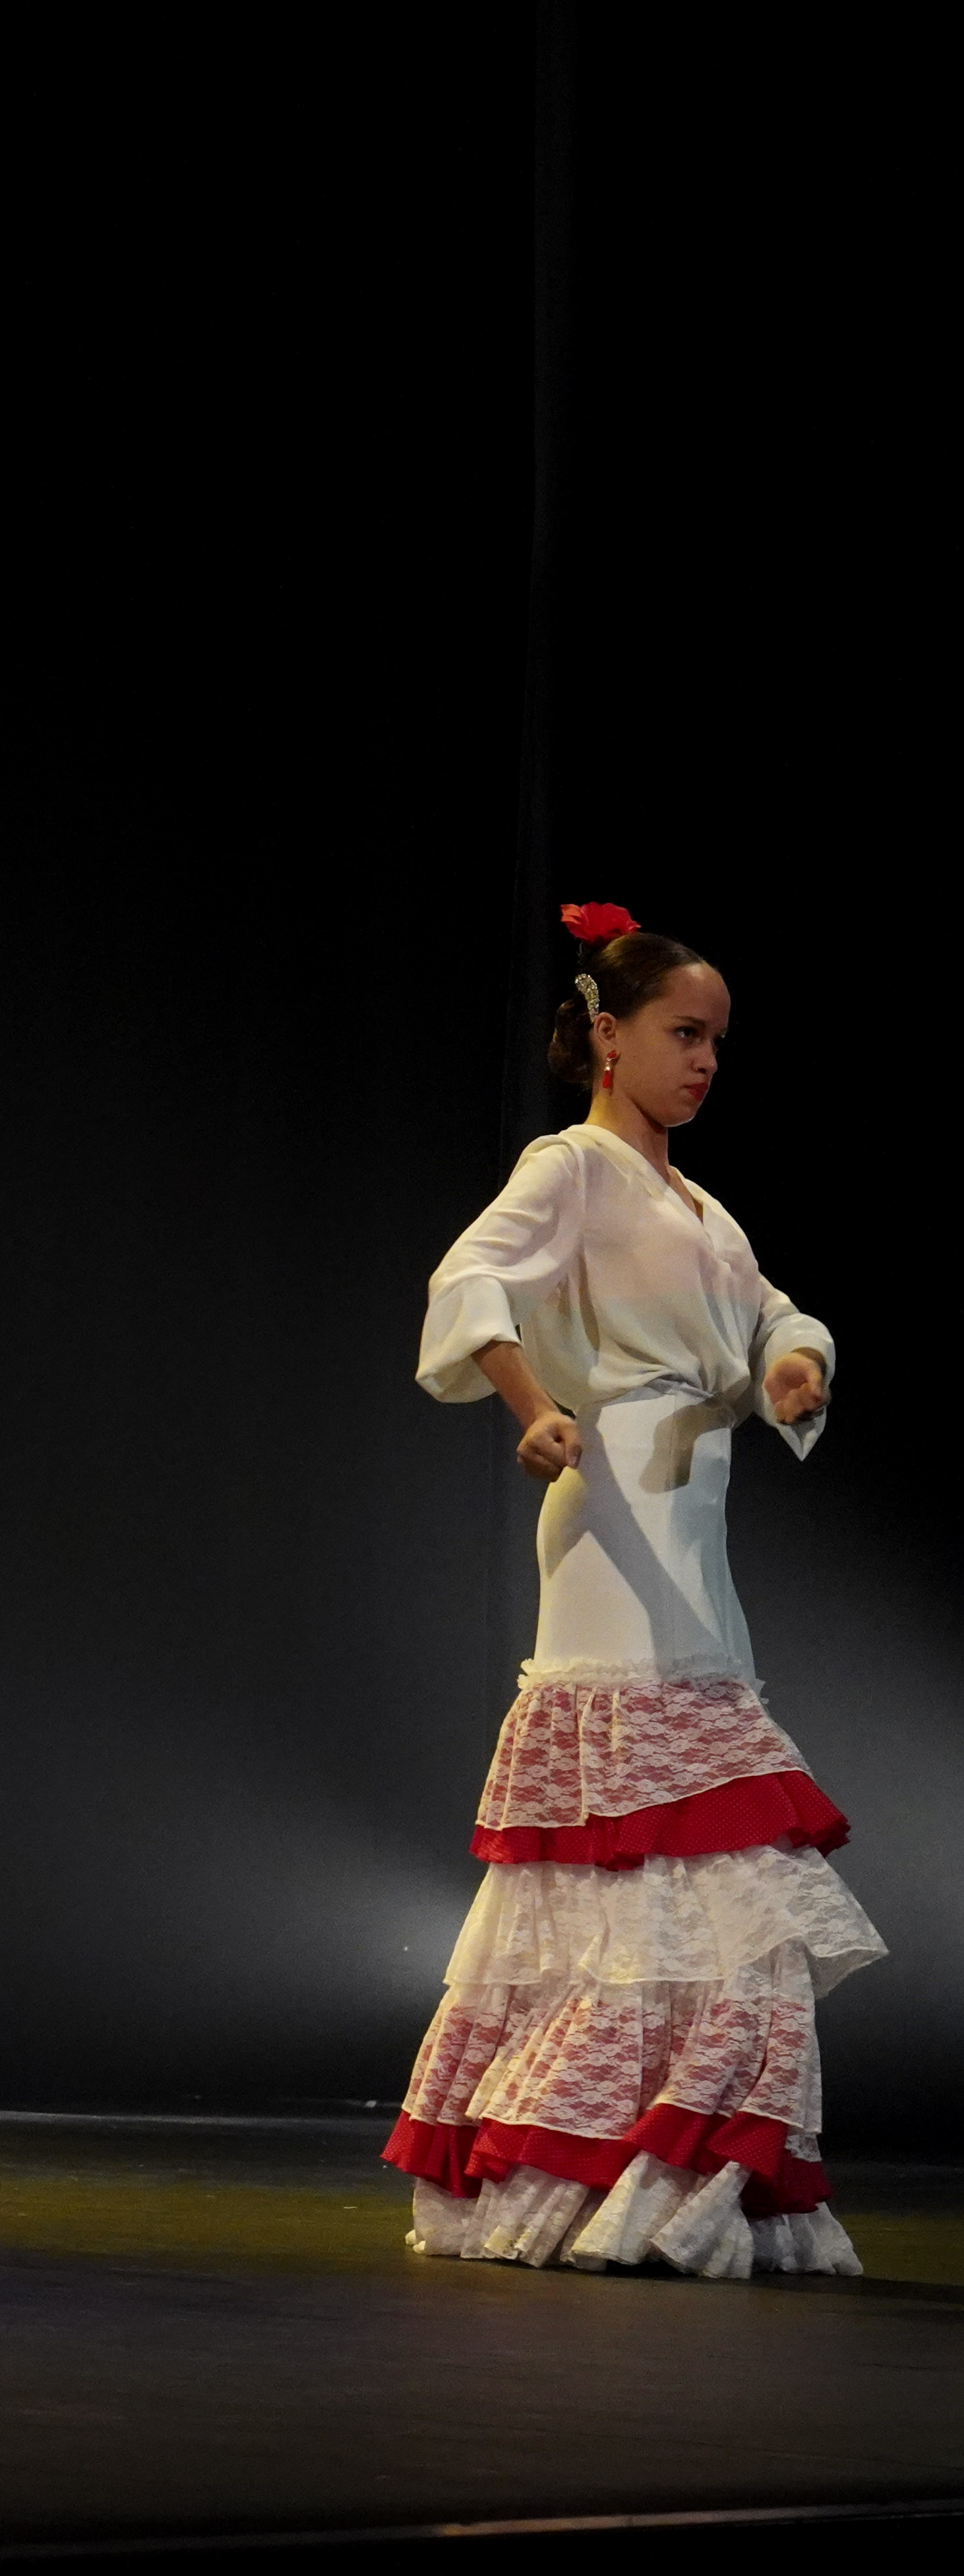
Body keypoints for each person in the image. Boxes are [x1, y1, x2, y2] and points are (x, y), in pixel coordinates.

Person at [386, 902, 874, 2277]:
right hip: (614, 1526)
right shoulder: (575, 1167)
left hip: (694, 1537)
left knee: (714, 1870)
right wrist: (532, 1403)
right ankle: (593, 2162)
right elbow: (470, 1277)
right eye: (683, 1033)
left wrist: (793, 1364)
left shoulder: (700, 1206)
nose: (705, 1061)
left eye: (718, 1041)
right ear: (609, 1034)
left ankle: (672, 2165)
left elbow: (772, 1310)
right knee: (659, 1858)